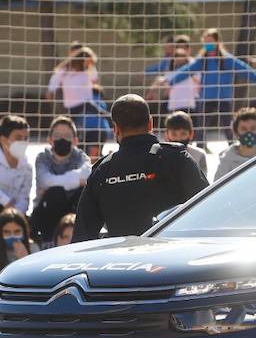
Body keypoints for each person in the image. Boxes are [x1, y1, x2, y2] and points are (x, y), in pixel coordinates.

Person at [73, 95, 208, 242]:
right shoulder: (177, 158)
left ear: (116, 129)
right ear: (151, 124)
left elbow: (82, 236)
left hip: (123, 261)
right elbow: (209, 206)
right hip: (174, 258)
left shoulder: (102, 171)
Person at [166, 29, 256, 150]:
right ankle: (201, 149)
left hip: (223, 97)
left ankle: (234, 147)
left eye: (211, 42)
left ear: (217, 42)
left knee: (228, 125)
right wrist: (171, 81)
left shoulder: (227, 59)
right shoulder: (202, 60)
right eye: (206, 42)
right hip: (206, 98)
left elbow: (244, 69)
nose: (208, 44)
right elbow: (186, 70)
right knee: (201, 126)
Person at [29, 116, 91, 246]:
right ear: (50, 140)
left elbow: (86, 173)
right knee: (56, 193)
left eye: (67, 136)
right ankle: (48, 241)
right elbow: (46, 180)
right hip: (47, 212)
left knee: (83, 192)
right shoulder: (42, 158)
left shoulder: (81, 157)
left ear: (75, 141)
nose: (62, 139)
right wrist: (74, 180)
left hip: (72, 210)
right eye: (57, 135)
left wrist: (56, 181)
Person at [46, 45, 111, 149]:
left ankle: (111, 119)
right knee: (75, 125)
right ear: (82, 59)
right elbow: (55, 79)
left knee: (100, 113)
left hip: (86, 101)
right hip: (73, 104)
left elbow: (95, 79)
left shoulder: (86, 70)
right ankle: (77, 146)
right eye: (88, 62)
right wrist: (50, 91)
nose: (89, 65)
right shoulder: (65, 69)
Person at [0, 208, 32, 292]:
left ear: (24, 232)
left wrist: (25, 261)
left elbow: (35, 281)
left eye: (17, 231)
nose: (12, 236)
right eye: (6, 232)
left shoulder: (33, 247)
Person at [145, 35, 198, 118]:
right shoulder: (172, 64)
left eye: (183, 48)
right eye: (178, 48)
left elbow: (199, 83)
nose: (180, 51)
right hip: (174, 103)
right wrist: (152, 91)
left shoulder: (194, 64)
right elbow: (163, 79)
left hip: (191, 103)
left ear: (188, 49)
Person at [215, 106, 256, 179]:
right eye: (244, 129)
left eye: (253, 128)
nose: (249, 133)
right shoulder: (226, 160)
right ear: (236, 132)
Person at [164, 111, 208, 181]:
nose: (178, 139)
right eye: (174, 134)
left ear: (191, 134)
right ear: (166, 135)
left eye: (183, 134)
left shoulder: (199, 155)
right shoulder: (160, 156)